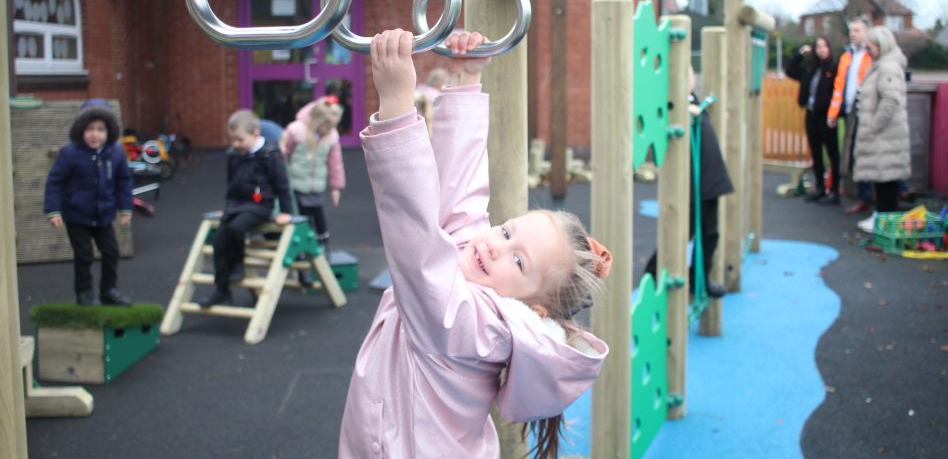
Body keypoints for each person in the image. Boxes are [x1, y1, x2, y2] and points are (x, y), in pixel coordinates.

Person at [339, 30, 610, 459]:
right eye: (506, 231)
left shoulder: (470, 324)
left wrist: (395, 109)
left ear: (532, 309)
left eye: (519, 262)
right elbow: (462, 200)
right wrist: (464, 83)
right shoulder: (479, 280)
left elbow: (415, 238)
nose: (497, 246)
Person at [644, 69, 732, 298]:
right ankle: (653, 272)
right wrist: (686, 112)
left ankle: (699, 278)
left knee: (709, 232)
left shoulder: (693, 98)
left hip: (709, 176)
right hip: (691, 179)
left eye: (691, 73)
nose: (691, 78)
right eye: (686, 74)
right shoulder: (673, 103)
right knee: (682, 232)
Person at [197, 110, 293, 307]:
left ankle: (238, 264)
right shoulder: (235, 155)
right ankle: (221, 289)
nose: (235, 144)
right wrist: (228, 207)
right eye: (232, 140)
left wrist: (285, 211)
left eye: (239, 140)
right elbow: (231, 184)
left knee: (236, 228)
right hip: (237, 205)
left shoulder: (269, 154)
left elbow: (282, 185)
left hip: (260, 206)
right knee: (219, 239)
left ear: (255, 133)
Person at [44, 100, 134, 307]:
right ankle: (84, 293)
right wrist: (54, 210)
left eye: (100, 130)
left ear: (109, 131)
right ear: (80, 130)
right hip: (77, 215)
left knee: (111, 252)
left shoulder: (116, 153)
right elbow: (55, 182)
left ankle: (109, 290)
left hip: (103, 215)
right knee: (84, 255)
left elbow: (124, 180)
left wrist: (125, 207)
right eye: (90, 129)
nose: (95, 135)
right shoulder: (71, 153)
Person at [280, 96, 346, 279]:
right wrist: (281, 184)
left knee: (319, 216)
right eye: (328, 125)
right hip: (296, 185)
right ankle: (300, 258)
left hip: (316, 185)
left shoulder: (331, 136)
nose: (331, 129)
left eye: (334, 125)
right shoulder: (296, 131)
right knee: (302, 220)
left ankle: (323, 248)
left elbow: (335, 163)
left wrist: (336, 187)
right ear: (317, 121)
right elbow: (283, 155)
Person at [852, 25, 910, 215]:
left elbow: (891, 100)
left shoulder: (888, 68)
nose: (867, 52)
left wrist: (874, 127)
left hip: (885, 138)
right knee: (883, 182)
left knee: (887, 183)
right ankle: (882, 220)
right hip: (883, 138)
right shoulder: (881, 66)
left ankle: (885, 224)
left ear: (881, 46)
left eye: (870, 48)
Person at [826, 17, 875, 214]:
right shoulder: (847, 56)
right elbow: (839, 86)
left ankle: (869, 195)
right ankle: (861, 194)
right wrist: (833, 112)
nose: (853, 33)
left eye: (857, 30)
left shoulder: (871, 55)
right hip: (849, 112)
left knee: (866, 153)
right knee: (853, 152)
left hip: (866, 111)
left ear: (867, 33)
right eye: (851, 30)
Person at [785, 36, 841, 204]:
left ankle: (835, 191)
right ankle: (820, 188)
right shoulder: (810, 69)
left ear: (829, 49)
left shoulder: (834, 68)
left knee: (832, 154)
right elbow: (790, 70)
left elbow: (838, 91)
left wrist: (835, 113)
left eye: (824, 46)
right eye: (818, 47)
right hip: (811, 115)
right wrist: (801, 54)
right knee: (816, 152)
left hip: (827, 116)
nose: (821, 50)